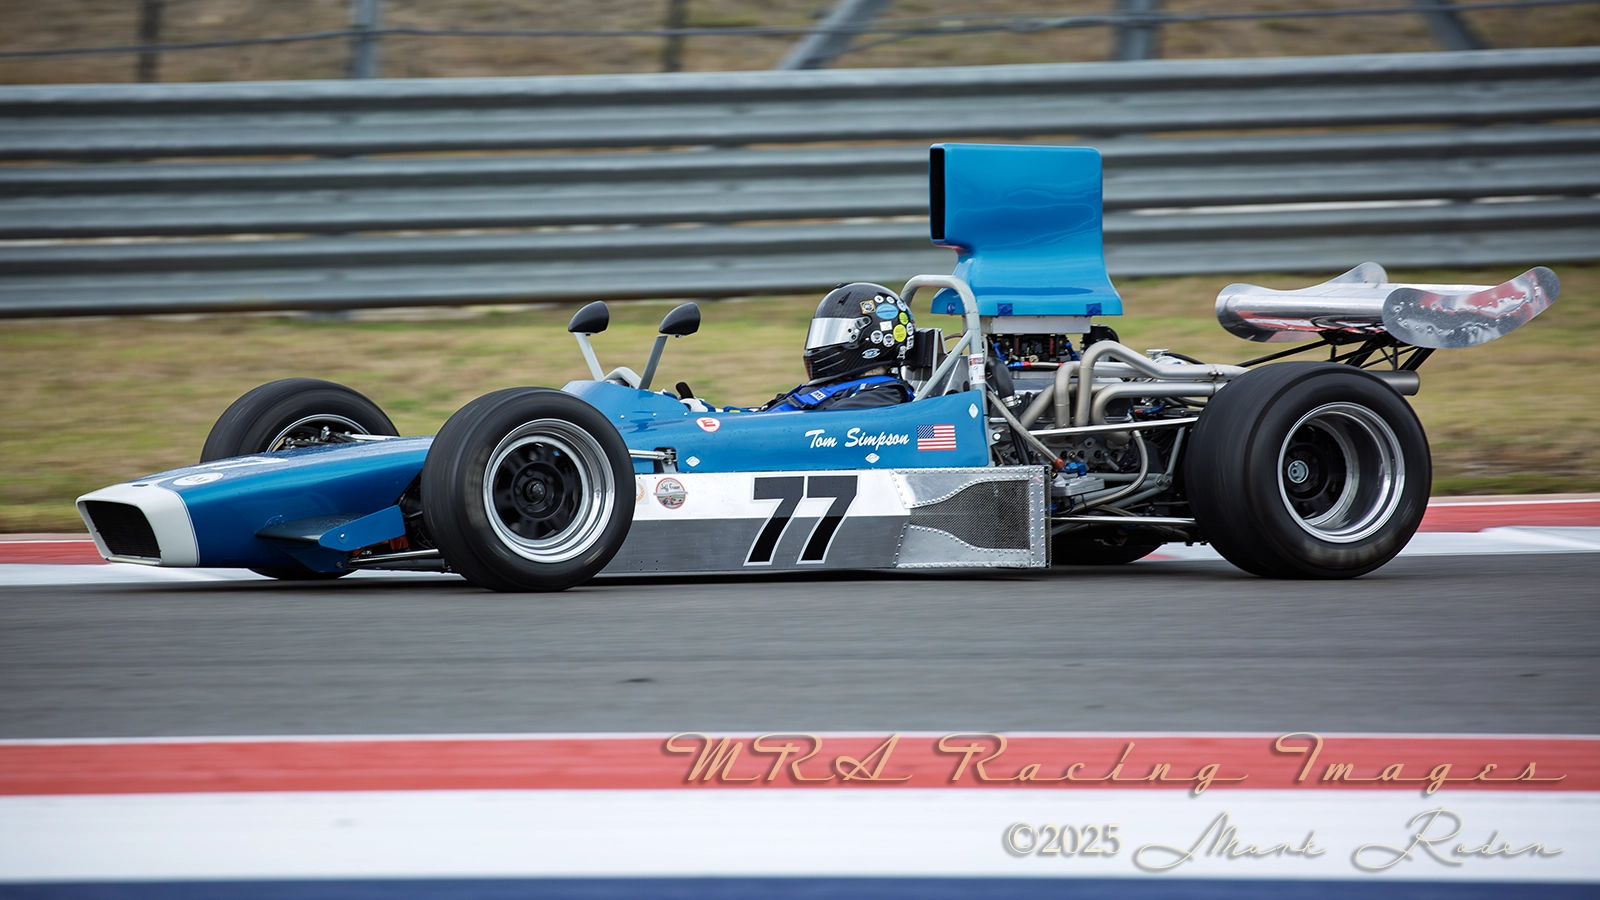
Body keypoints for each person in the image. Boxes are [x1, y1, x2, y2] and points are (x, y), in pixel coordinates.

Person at [762, 282, 917, 412]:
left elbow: (828, 427)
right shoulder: (835, 385)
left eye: (836, 333)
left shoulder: (884, 394)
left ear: (872, 339)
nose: (823, 343)